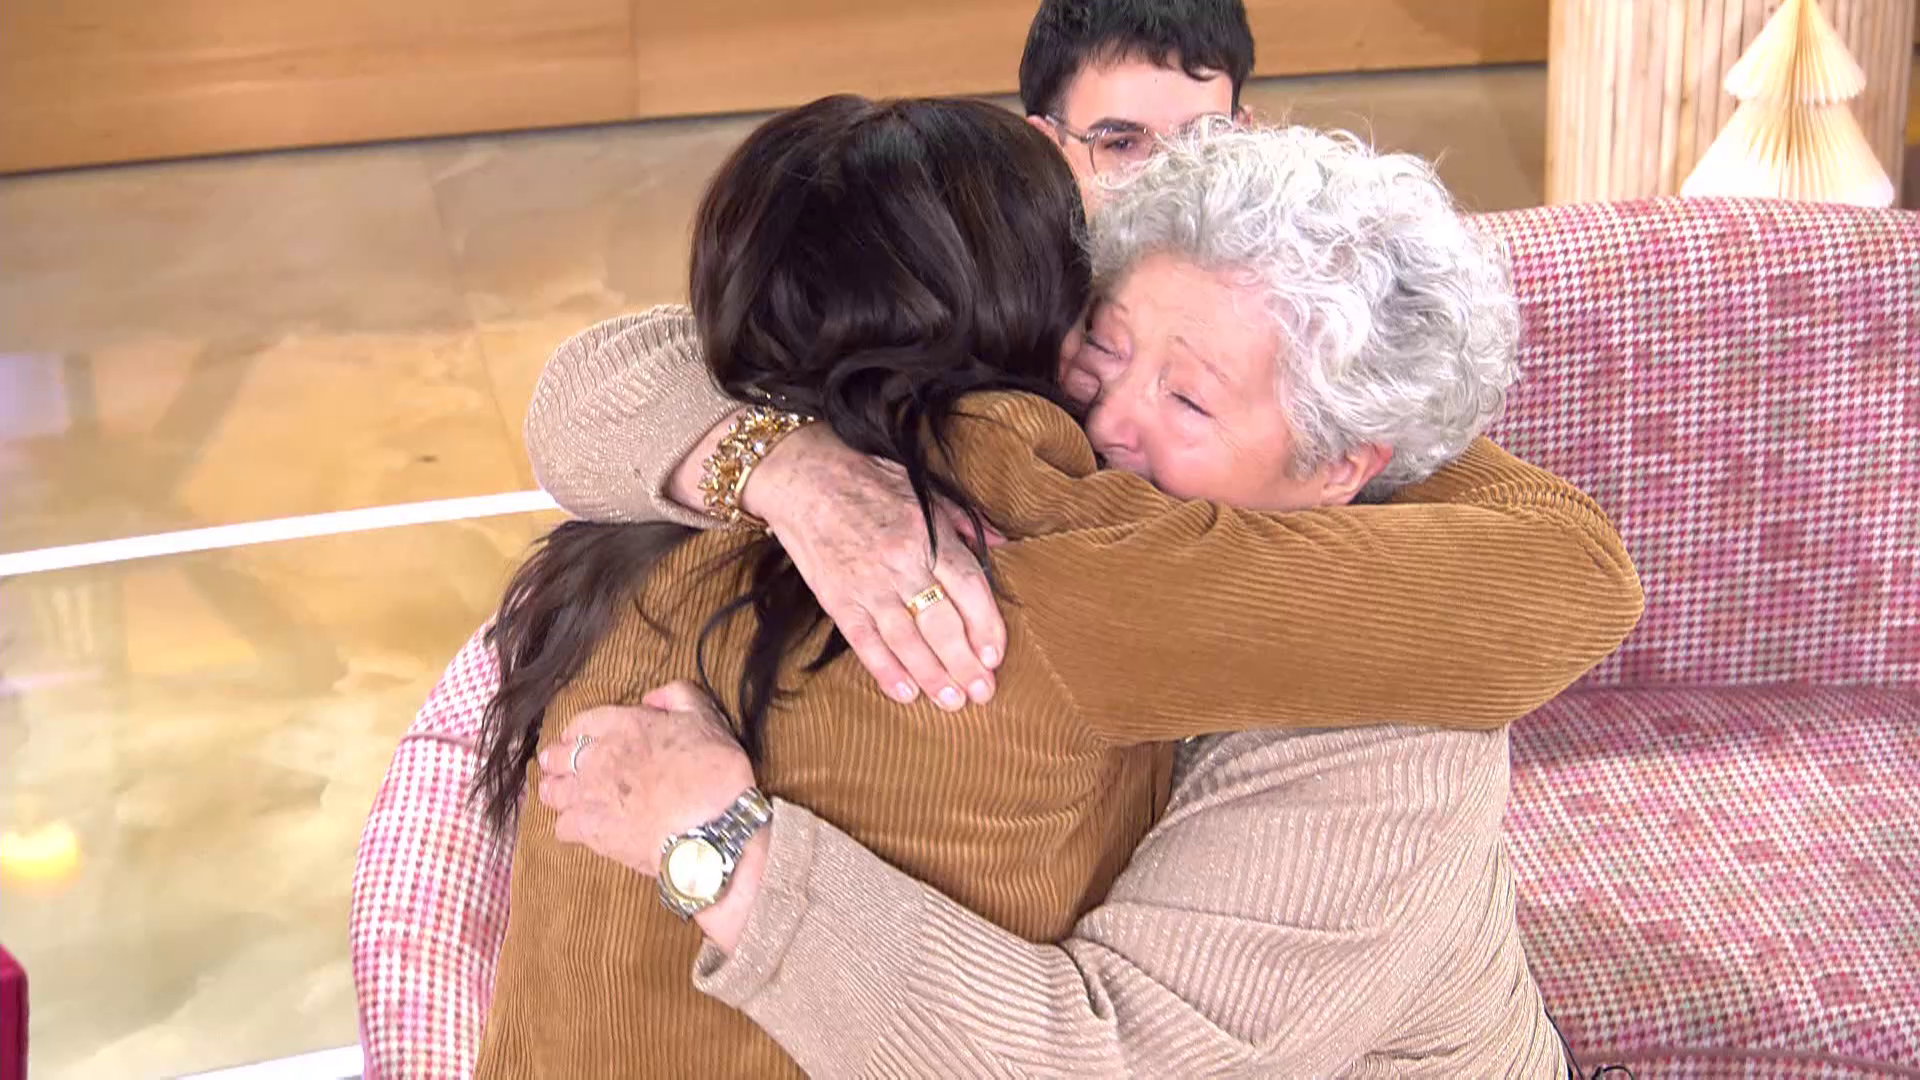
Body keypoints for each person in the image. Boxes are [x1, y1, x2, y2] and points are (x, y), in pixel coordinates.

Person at [509, 122, 1644, 1077]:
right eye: (1104, 346)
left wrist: (715, 842)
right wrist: (791, 466)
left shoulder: (1392, 722)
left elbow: (1101, 1060)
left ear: (1346, 466)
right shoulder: (1042, 458)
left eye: (1190, 402)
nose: (1109, 423)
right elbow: (610, 375)